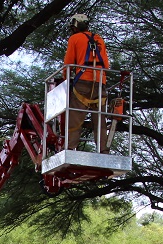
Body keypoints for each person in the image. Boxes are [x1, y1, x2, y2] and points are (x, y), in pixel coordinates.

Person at [63, 13, 110, 153]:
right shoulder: (99, 39)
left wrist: (66, 82)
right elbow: (106, 65)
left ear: (74, 26)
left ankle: (70, 149)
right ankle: (103, 151)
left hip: (83, 83)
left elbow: (68, 64)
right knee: (100, 121)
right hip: (100, 83)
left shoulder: (74, 38)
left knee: (75, 119)